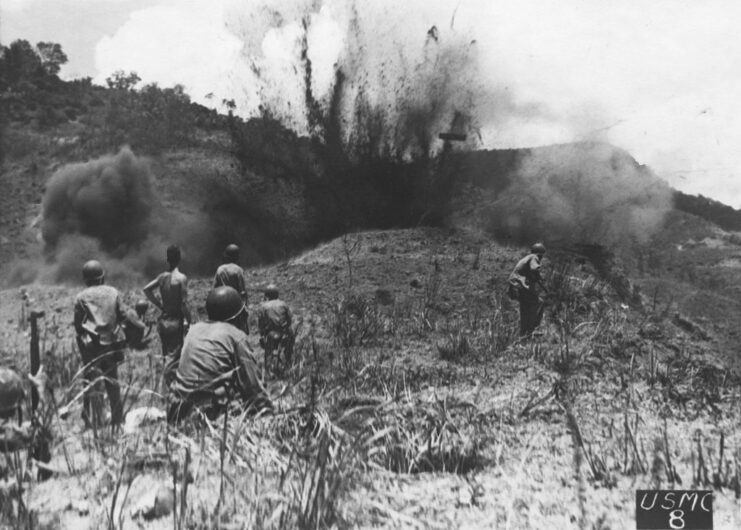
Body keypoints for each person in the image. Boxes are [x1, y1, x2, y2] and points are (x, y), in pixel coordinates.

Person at [168, 286, 272, 424]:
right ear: (236, 316)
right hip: (209, 415)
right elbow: (253, 389)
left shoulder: (194, 330)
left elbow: (174, 368)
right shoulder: (235, 336)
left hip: (177, 410)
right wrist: (269, 414)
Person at [73, 260, 127, 428]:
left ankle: (96, 422)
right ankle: (118, 420)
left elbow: (78, 326)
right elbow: (123, 315)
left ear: (86, 280)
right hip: (111, 344)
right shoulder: (113, 292)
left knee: (93, 384)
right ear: (102, 277)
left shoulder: (81, 297)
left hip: (92, 348)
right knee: (113, 383)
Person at [143, 245, 193, 384]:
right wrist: (190, 320)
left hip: (163, 321)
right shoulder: (181, 278)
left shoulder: (162, 277)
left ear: (167, 259)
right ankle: (169, 388)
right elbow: (183, 304)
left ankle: (166, 385)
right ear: (179, 259)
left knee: (166, 355)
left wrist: (159, 304)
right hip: (176, 322)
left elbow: (146, 289)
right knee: (174, 358)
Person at [508, 242, 547, 338]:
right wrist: (539, 277)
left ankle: (524, 334)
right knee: (538, 302)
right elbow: (534, 269)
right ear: (539, 254)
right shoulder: (534, 257)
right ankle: (531, 330)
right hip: (521, 285)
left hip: (516, 286)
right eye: (541, 256)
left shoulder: (527, 258)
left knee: (525, 308)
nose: (540, 259)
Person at [257, 283, 294, 376]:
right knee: (290, 340)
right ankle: (288, 361)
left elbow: (261, 323)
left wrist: (262, 335)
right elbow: (289, 320)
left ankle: (267, 371)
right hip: (283, 332)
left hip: (271, 333)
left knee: (268, 351)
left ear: (266, 295)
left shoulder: (263, 306)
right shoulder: (283, 304)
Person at [213, 244, 248, 333]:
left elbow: (214, 289)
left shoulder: (220, 269)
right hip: (235, 303)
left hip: (222, 303)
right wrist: (245, 308)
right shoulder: (238, 270)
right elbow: (242, 291)